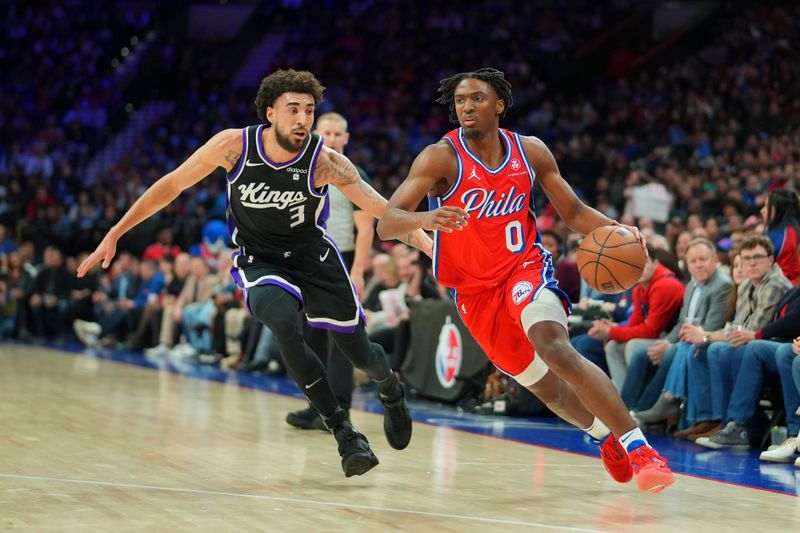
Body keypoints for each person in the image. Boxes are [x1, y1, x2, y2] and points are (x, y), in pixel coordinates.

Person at [78, 69, 432, 478]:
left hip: (313, 258)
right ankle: (344, 431)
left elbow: (382, 209)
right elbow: (173, 184)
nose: (303, 119)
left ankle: (390, 387)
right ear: (270, 113)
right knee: (282, 321)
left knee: (360, 353)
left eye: (309, 111)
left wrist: (428, 245)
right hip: (260, 261)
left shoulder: (325, 161)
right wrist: (115, 232)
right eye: (293, 109)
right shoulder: (233, 146)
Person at [376, 68, 674, 493]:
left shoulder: (530, 151)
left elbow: (572, 213)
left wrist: (617, 228)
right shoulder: (440, 157)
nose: (466, 107)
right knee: (547, 389)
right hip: (474, 294)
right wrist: (426, 217)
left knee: (554, 344)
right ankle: (603, 436)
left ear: (499, 104)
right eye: (460, 101)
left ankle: (640, 447)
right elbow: (387, 222)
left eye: (477, 98)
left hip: (524, 269)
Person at [286, 112, 376, 430]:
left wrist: (359, 272)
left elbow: (365, 230)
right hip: (307, 262)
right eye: (328, 132)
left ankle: (342, 410)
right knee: (310, 339)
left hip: (342, 261)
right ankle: (318, 407)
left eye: (339, 134)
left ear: (346, 139)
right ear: (315, 133)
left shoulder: (354, 174)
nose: (333, 138)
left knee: (341, 340)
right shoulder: (300, 170)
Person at [761, 189, 800, 285]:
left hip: (780, 288)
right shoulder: (794, 229)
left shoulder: (772, 237)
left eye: (767, 206)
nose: (762, 210)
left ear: (778, 209)